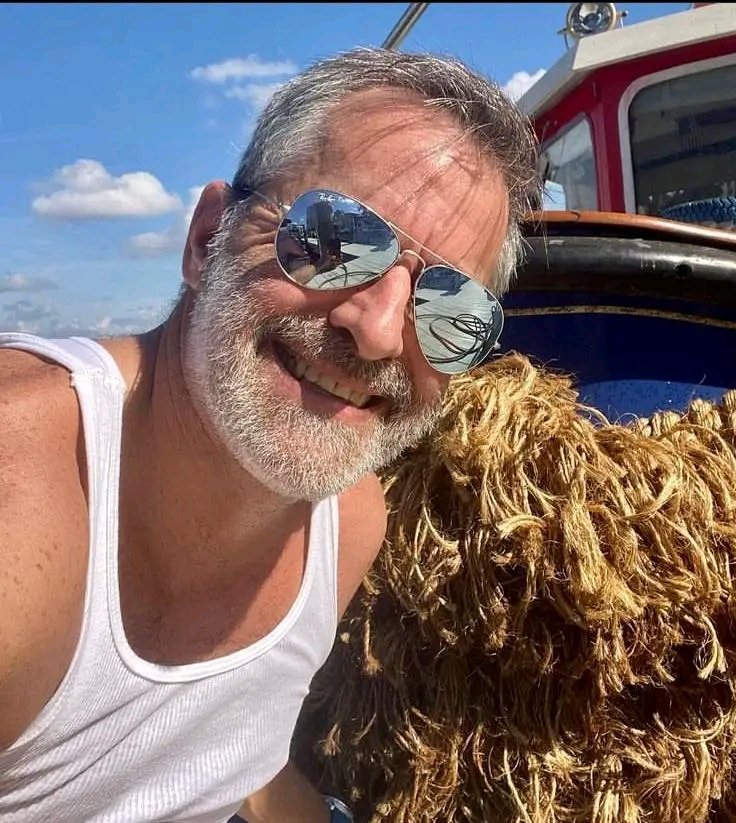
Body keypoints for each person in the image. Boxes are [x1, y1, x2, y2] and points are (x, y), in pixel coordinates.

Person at [0, 47, 538, 822]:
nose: (382, 332)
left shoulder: (350, 522)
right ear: (206, 237)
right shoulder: (23, 492)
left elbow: (235, 763)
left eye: (452, 311)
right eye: (333, 239)